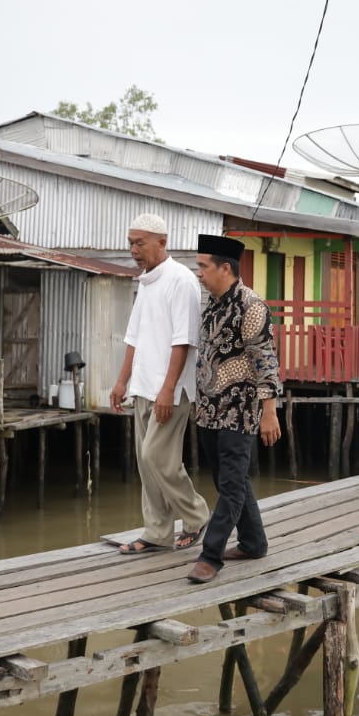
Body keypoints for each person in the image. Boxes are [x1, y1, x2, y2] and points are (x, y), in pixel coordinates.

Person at [111, 213, 212, 555]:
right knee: (145, 460)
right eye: (130, 243)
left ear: (161, 242)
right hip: (142, 385)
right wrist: (121, 381)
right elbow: (134, 337)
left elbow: (183, 341)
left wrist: (168, 389)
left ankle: (197, 516)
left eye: (140, 243)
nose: (134, 250)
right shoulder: (146, 280)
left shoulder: (181, 280)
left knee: (158, 457)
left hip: (171, 389)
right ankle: (157, 532)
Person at [186, 234, 282, 584]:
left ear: (224, 268)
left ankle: (210, 555)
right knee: (231, 480)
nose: (198, 273)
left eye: (203, 266)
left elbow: (266, 362)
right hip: (210, 410)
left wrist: (269, 411)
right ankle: (254, 542)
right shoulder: (212, 303)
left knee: (229, 485)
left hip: (239, 412)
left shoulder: (251, 306)